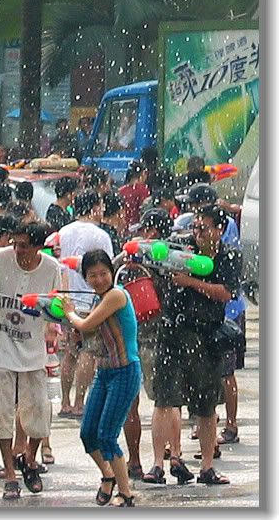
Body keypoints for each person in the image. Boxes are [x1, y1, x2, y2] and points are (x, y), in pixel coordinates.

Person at [146, 204, 239, 486]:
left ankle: (207, 466)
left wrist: (190, 281)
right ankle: (157, 464)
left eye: (204, 228)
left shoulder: (229, 257)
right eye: (195, 227)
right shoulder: (183, 248)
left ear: (219, 230)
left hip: (206, 335)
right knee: (165, 399)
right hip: (173, 330)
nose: (197, 233)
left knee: (206, 404)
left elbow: (225, 293)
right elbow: (157, 259)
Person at [0, 222, 61, 499]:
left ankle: (29, 458)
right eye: (14, 243)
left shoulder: (51, 269)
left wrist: (55, 326)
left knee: (39, 413)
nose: (17, 250)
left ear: (38, 246)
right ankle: (10, 475)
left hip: (33, 352)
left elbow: (55, 309)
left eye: (24, 245)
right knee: (1, 414)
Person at [58, 249, 141, 507]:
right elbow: (90, 335)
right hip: (104, 373)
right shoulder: (98, 299)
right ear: (85, 277)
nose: (98, 279)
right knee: (88, 433)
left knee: (106, 435)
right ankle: (108, 475)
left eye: (103, 273)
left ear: (112, 273)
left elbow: (84, 325)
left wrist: (70, 313)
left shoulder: (116, 295)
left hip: (125, 372)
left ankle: (126, 494)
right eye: (92, 275)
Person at [116, 208, 174, 481]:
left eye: (145, 230)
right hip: (155, 340)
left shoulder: (129, 261)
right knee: (163, 403)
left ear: (152, 232)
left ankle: (140, 460)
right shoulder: (170, 260)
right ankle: (163, 458)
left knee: (136, 403)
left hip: (132, 341)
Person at [58, 190, 114, 417]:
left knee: (70, 352)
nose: (102, 211)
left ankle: (64, 401)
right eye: (100, 206)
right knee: (88, 352)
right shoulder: (100, 235)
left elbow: (59, 265)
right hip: (88, 300)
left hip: (65, 298)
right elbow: (107, 270)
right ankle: (80, 403)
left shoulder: (63, 232)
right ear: (93, 208)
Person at [118, 160, 150, 227]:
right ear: (143, 173)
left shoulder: (121, 191)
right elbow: (145, 210)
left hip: (122, 226)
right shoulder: (143, 190)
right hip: (137, 227)